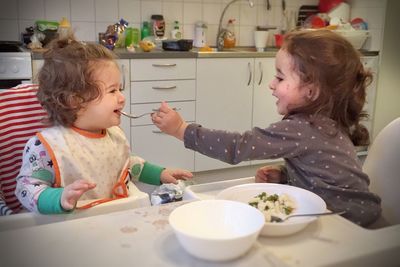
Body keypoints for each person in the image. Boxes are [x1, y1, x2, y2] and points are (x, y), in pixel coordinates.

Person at [151, 29, 381, 227]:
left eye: (280, 78)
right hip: (354, 213)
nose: (271, 84)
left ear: (311, 90)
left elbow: (238, 147)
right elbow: (324, 172)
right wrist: (286, 175)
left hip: (348, 224)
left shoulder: (305, 128)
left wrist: (181, 128)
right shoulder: (323, 121)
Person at [15, 38, 192, 214]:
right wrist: (60, 198)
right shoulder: (47, 147)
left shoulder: (113, 134)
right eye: (112, 91)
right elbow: (26, 189)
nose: (122, 98)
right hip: (67, 229)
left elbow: (126, 164)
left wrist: (160, 174)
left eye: (120, 89)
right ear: (75, 101)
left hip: (110, 220)